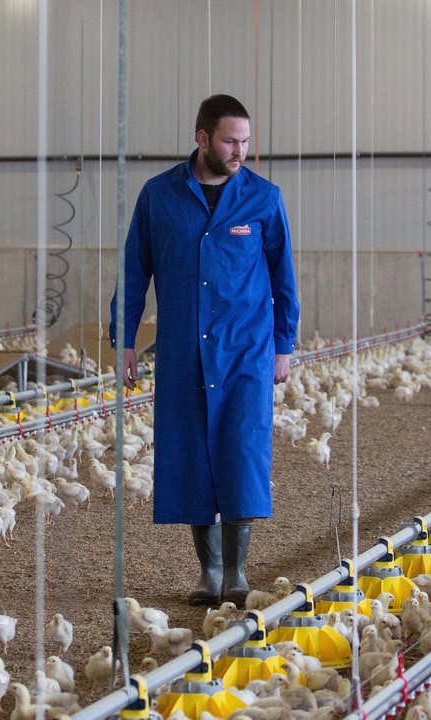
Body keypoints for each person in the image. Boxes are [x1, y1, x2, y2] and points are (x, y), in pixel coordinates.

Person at [110, 94, 300, 605]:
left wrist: (284, 343)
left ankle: (237, 572)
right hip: (183, 350)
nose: (239, 151)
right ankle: (209, 572)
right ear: (202, 139)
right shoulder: (159, 196)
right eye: (229, 141)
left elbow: (284, 278)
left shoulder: (264, 199)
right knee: (191, 452)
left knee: (241, 451)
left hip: (246, 350)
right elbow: (134, 271)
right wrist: (123, 340)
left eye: (244, 141)